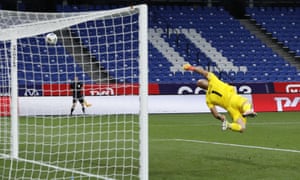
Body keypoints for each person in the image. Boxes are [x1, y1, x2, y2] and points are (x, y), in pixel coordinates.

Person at [183, 64, 257, 133]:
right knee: (247, 102)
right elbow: (202, 71)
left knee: (242, 128)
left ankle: (228, 125)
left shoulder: (208, 99)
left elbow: (215, 114)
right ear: (206, 81)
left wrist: (222, 118)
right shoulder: (213, 80)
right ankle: (247, 111)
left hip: (230, 109)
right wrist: (191, 68)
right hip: (233, 98)